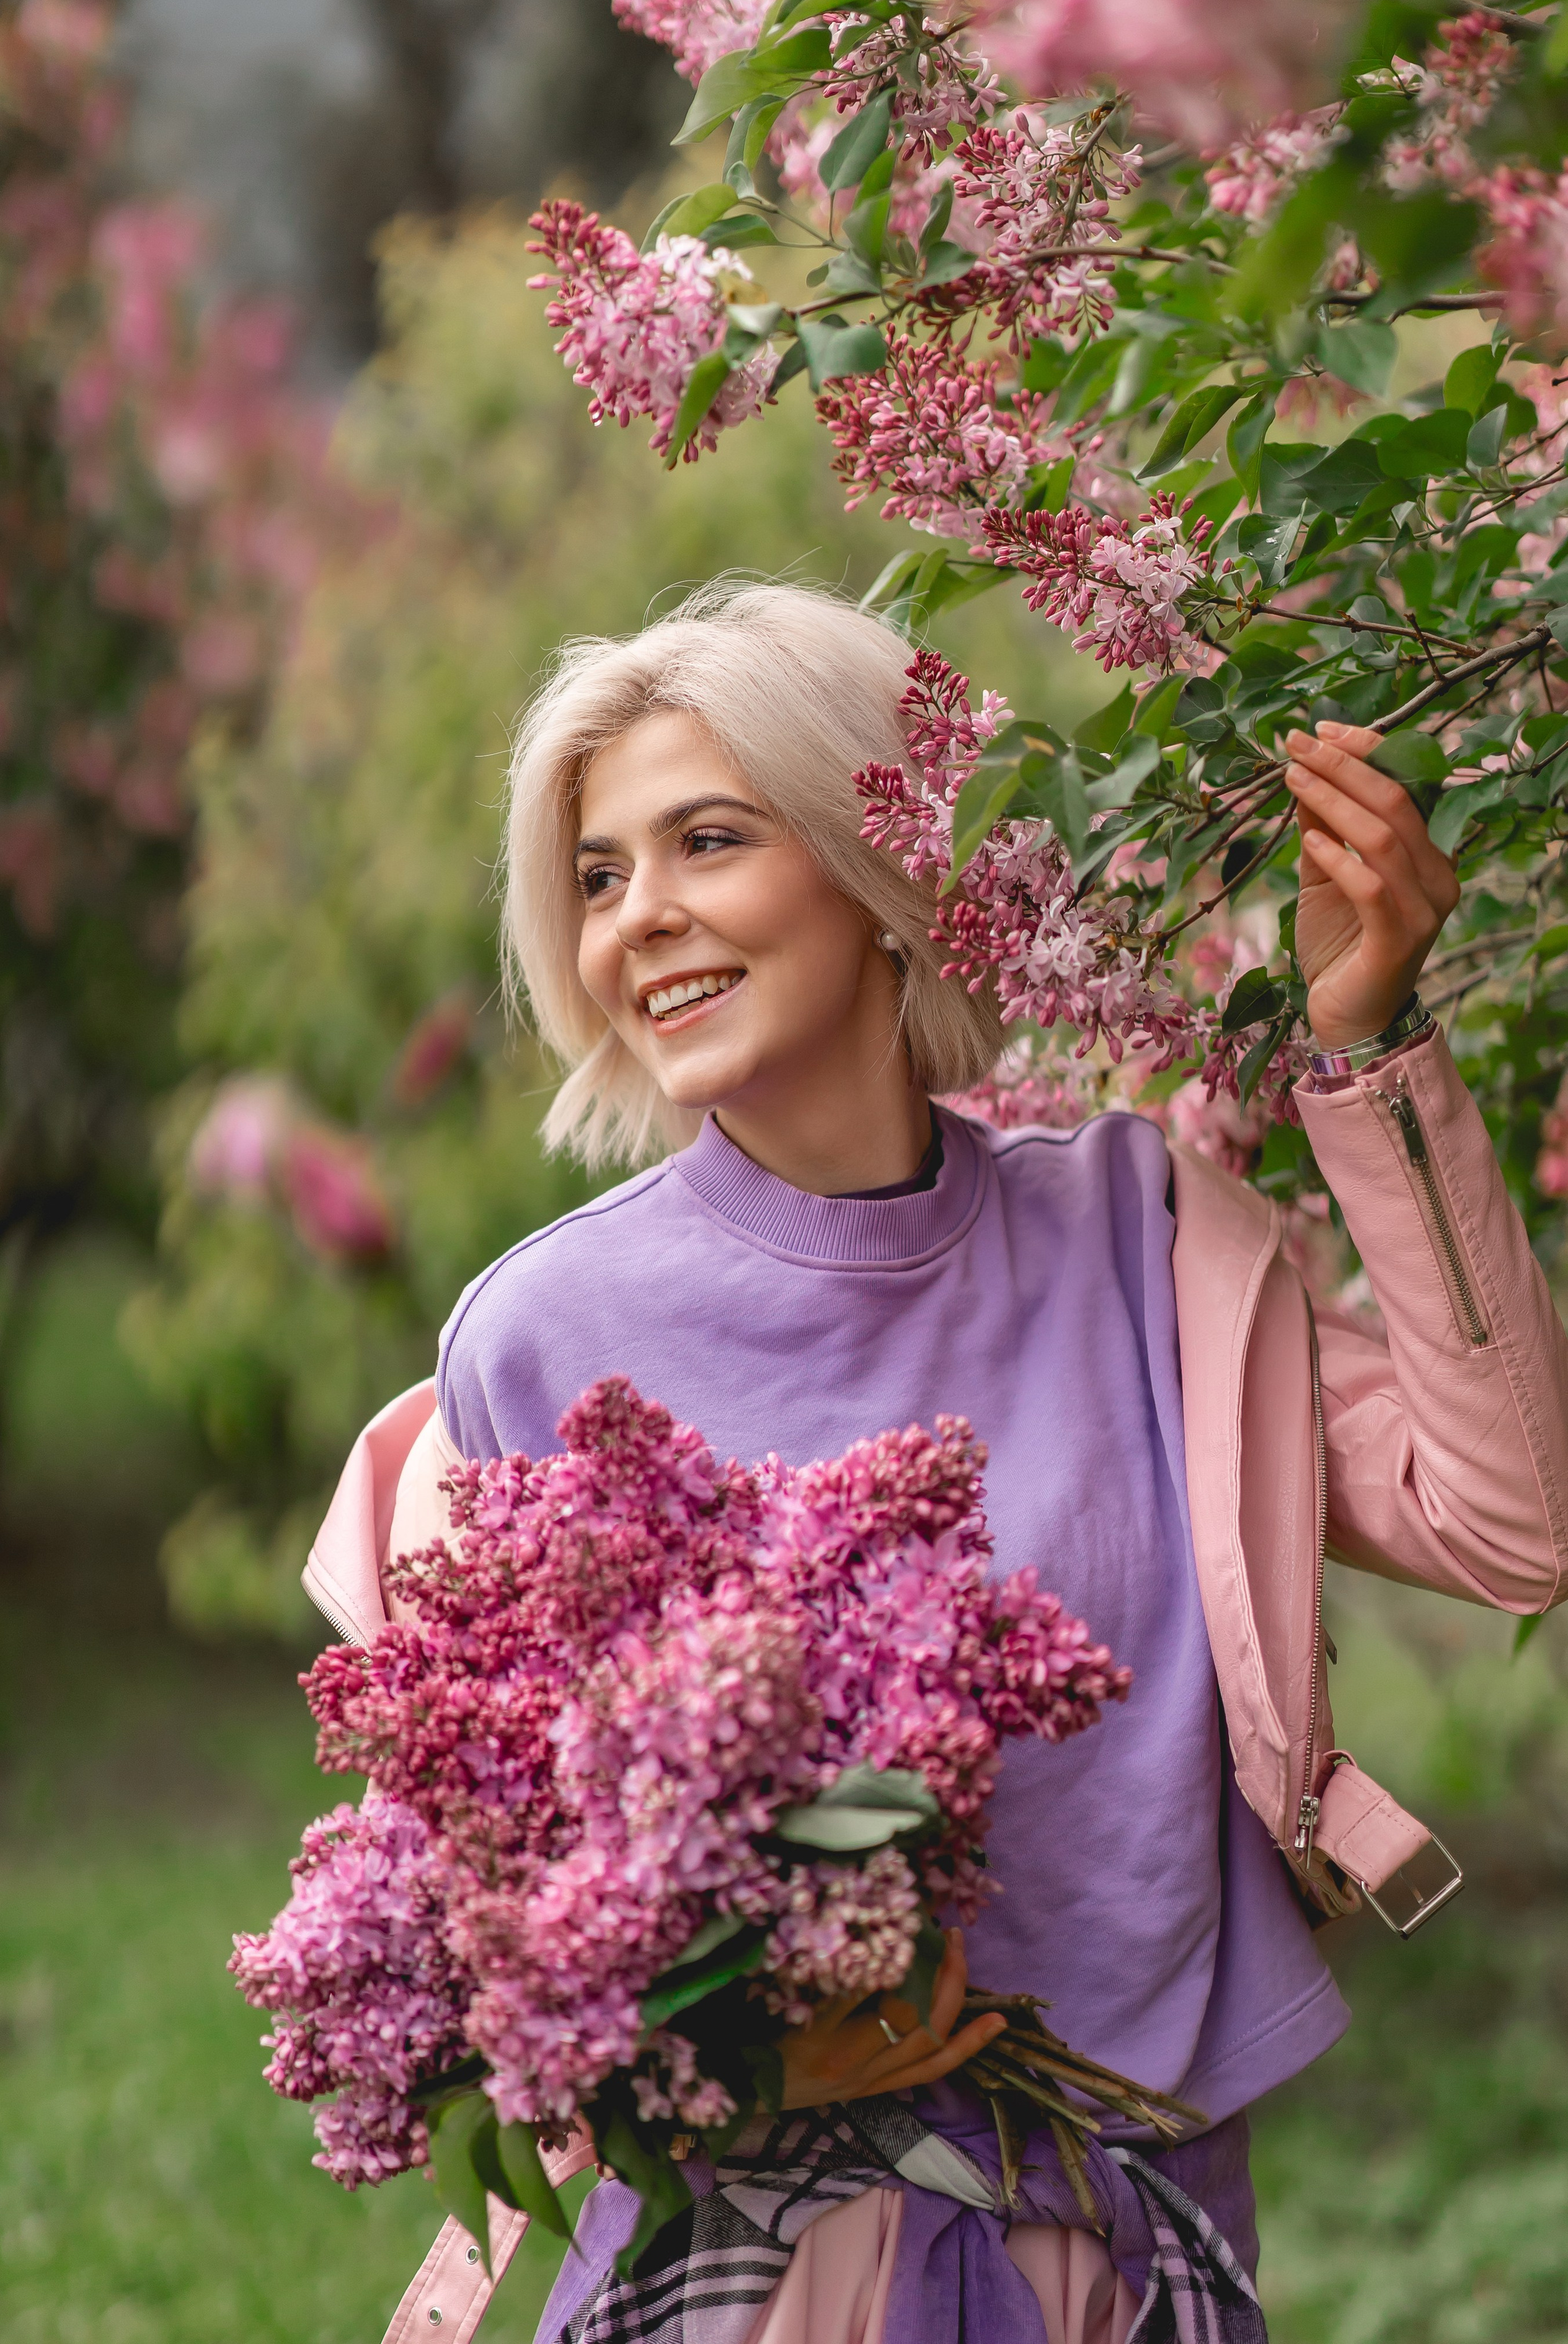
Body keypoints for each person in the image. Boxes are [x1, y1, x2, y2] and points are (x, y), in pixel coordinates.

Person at [307, 582, 1568, 2344]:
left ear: (873, 859)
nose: (639, 918)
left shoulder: (1142, 1238)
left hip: (1139, 2246)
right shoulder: (539, 1337)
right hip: (753, 2262)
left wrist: (1367, 1046)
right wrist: (728, 2044)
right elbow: (452, 1924)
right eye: (598, 875)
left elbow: (1511, 1518)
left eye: (708, 840)